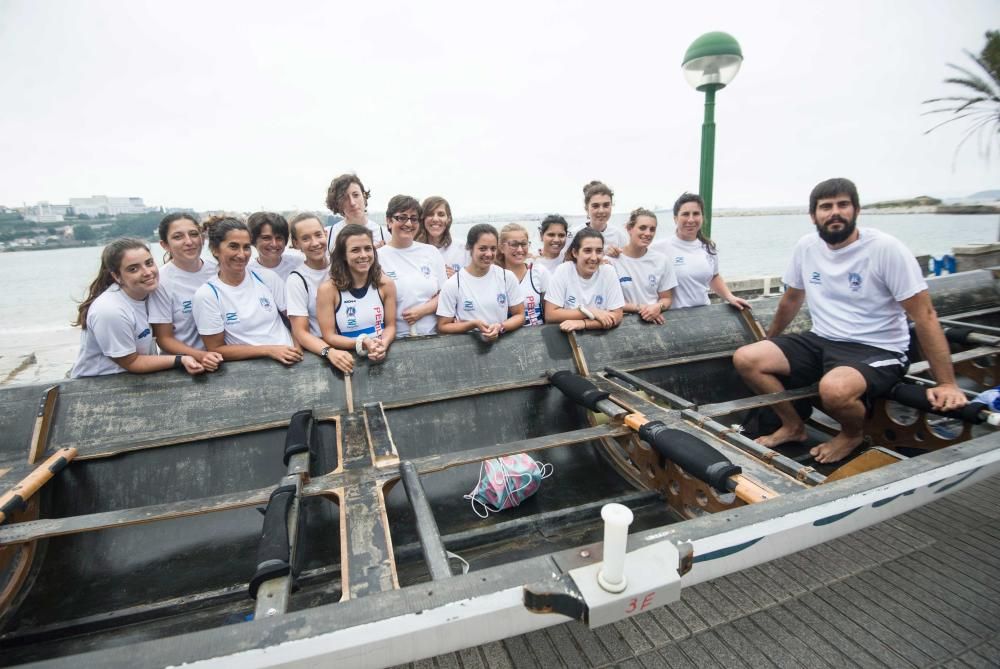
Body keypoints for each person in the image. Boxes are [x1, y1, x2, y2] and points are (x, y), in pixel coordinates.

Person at [733, 177, 967, 464]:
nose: (834, 212)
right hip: (823, 338)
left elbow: (925, 315)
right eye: (826, 206)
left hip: (878, 348)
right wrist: (771, 339)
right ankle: (793, 426)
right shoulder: (806, 247)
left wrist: (946, 383)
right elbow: (792, 299)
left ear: (856, 210)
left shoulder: (885, 249)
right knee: (748, 358)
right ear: (813, 215)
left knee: (833, 389)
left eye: (843, 205)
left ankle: (852, 433)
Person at [71, 238, 205, 378]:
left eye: (149, 263)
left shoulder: (149, 294)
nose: (147, 272)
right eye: (133, 269)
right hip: (96, 384)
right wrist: (180, 359)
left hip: (132, 379)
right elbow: (131, 362)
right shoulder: (110, 311)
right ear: (117, 276)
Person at [192, 217, 303, 365]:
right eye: (233, 246)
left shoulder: (266, 277)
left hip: (290, 360)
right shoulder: (207, 295)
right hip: (249, 371)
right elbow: (216, 348)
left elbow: (295, 321)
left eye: (246, 247)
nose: (241, 254)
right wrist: (269, 350)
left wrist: (298, 351)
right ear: (215, 249)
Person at [148, 213, 225, 371]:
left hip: (222, 358)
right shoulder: (161, 281)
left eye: (194, 234)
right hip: (186, 365)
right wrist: (200, 355)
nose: (189, 242)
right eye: (178, 237)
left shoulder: (218, 270)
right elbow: (164, 339)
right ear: (165, 245)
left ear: (202, 238)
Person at [316, 224, 397, 371]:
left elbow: (391, 326)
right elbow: (329, 336)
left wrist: (383, 344)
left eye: (368, 248)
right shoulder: (328, 290)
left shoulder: (386, 284)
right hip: (349, 362)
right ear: (343, 256)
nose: (363, 255)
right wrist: (362, 342)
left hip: (381, 356)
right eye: (355, 250)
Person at [658, 193, 750, 310]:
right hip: (674, 317)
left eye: (696, 214)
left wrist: (730, 297)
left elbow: (714, 276)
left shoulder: (708, 247)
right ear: (675, 219)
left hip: (704, 314)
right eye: (685, 214)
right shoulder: (659, 248)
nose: (691, 219)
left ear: (702, 217)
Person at [438, 224, 525, 340]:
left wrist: (501, 327)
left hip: (501, 344)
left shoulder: (506, 277)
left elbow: (520, 315)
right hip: (467, 348)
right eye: (482, 248)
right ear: (470, 248)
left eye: (493, 249)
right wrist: (472, 325)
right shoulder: (453, 283)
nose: (489, 254)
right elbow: (443, 326)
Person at [377, 195, 447, 337]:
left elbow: (446, 294)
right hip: (394, 339)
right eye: (402, 218)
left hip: (433, 336)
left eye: (414, 219)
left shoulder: (431, 252)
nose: (408, 224)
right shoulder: (377, 257)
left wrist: (423, 310)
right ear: (389, 221)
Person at [544, 228, 625, 332]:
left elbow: (617, 316)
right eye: (587, 251)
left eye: (599, 251)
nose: (594, 257)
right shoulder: (564, 270)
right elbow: (550, 315)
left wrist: (584, 324)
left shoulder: (608, 271)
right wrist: (589, 311)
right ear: (575, 253)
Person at [285, 213, 338, 362]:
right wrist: (329, 352)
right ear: (296, 244)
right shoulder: (296, 280)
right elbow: (301, 332)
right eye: (306, 238)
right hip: (322, 352)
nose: (315, 243)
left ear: (326, 234)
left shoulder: (341, 266)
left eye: (318, 235)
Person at [610, 208, 677, 324]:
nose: (647, 233)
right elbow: (610, 301)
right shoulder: (612, 261)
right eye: (642, 228)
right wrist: (643, 308)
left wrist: (658, 307)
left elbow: (666, 298)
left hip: (654, 321)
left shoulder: (661, 260)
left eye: (652, 229)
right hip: (622, 325)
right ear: (629, 228)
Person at [496, 223, 548, 327]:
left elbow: (549, 314)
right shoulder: (494, 276)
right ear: (501, 248)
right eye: (514, 244)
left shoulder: (539, 271)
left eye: (523, 244)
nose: (520, 250)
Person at [324, 173, 390, 251]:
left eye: (356, 195)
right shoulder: (328, 235)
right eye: (345, 198)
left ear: (364, 196)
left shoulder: (385, 235)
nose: (352, 202)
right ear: (337, 204)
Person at [568, 181, 627, 257]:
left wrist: (617, 258)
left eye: (606, 205)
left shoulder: (619, 236)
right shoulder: (574, 234)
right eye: (595, 206)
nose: (601, 211)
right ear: (586, 208)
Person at [417, 195, 466, 277]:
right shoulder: (414, 250)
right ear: (422, 218)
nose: (435, 219)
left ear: (449, 219)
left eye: (441, 214)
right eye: (430, 214)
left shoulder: (463, 248)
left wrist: (457, 279)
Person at [247, 212, 302, 281]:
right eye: (266, 238)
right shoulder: (247, 271)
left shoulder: (299, 264)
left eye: (279, 238)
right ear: (253, 240)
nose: (274, 244)